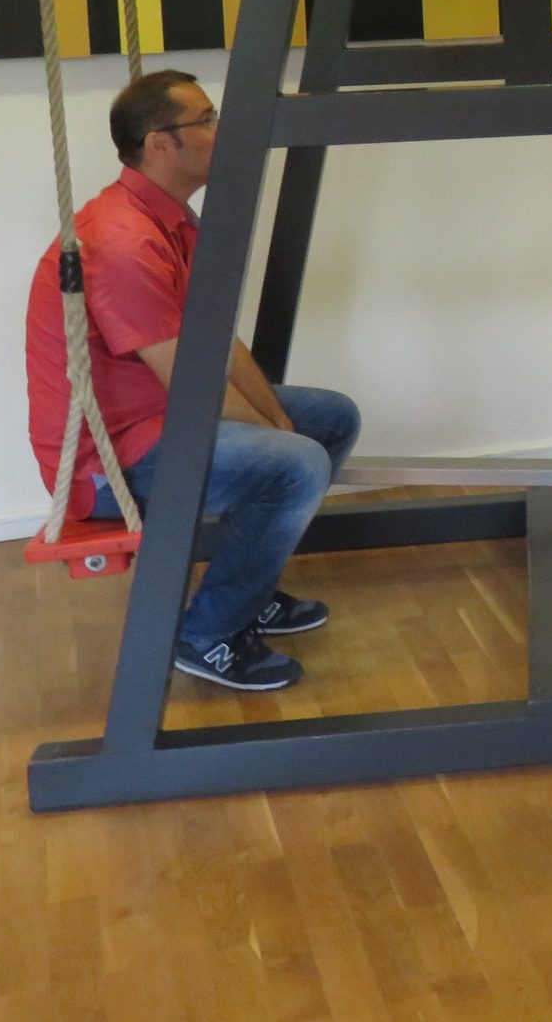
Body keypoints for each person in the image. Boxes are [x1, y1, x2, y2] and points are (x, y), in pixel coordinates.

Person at [26, 70, 359, 689]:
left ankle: (245, 592)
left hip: (164, 420)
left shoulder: (172, 222)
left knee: (331, 419)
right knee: (296, 466)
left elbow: (217, 342)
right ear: (161, 144)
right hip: (111, 466)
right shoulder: (122, 241)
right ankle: (206, 636)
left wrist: (279, 422)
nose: (221, 130)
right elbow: (190, 380)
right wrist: (282, 438)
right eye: (206, 120)